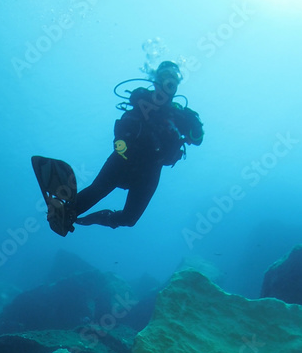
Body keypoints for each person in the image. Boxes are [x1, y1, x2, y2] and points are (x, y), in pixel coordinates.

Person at [49, 61, 204, 236]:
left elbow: (197, 139)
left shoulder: (180, 115)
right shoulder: (144, 98)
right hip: (124, 157)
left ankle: (88, 220)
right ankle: (65, 213)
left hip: (151, 169)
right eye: (164, 76)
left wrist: (196, 125)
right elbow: (130, 112)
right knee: (97, 190)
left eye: (174, 77)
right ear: (156, 80)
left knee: (129, 219)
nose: (169, 81)